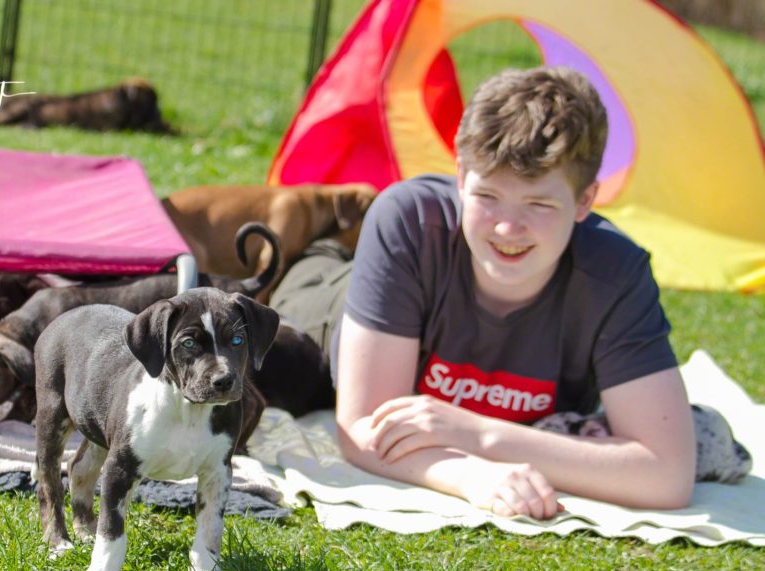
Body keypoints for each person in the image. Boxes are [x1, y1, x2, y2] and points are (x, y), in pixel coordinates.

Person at [269, 66, 696, 520]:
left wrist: (476, 434)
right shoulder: (409, 221)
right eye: (488, 196)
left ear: (585, 201)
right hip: (319, 297)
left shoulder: (615, 274)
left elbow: (667, 474)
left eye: (539, 203)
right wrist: (470, 476)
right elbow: (365, 431)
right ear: (460, 177)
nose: (508, 228)